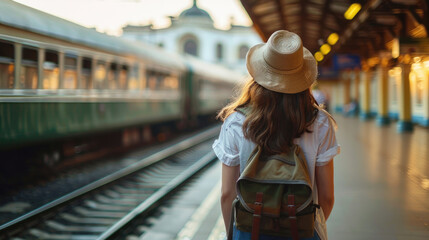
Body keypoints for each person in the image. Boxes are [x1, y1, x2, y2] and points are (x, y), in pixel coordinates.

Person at [212, 30, 340, 240]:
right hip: (301, 229)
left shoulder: (235, 122)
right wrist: (302, 227)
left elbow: (227, 194)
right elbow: (326, 197)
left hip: (249, 230)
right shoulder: (320, 122)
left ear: (259, 74)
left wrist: (231, 233)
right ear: (302, 78)